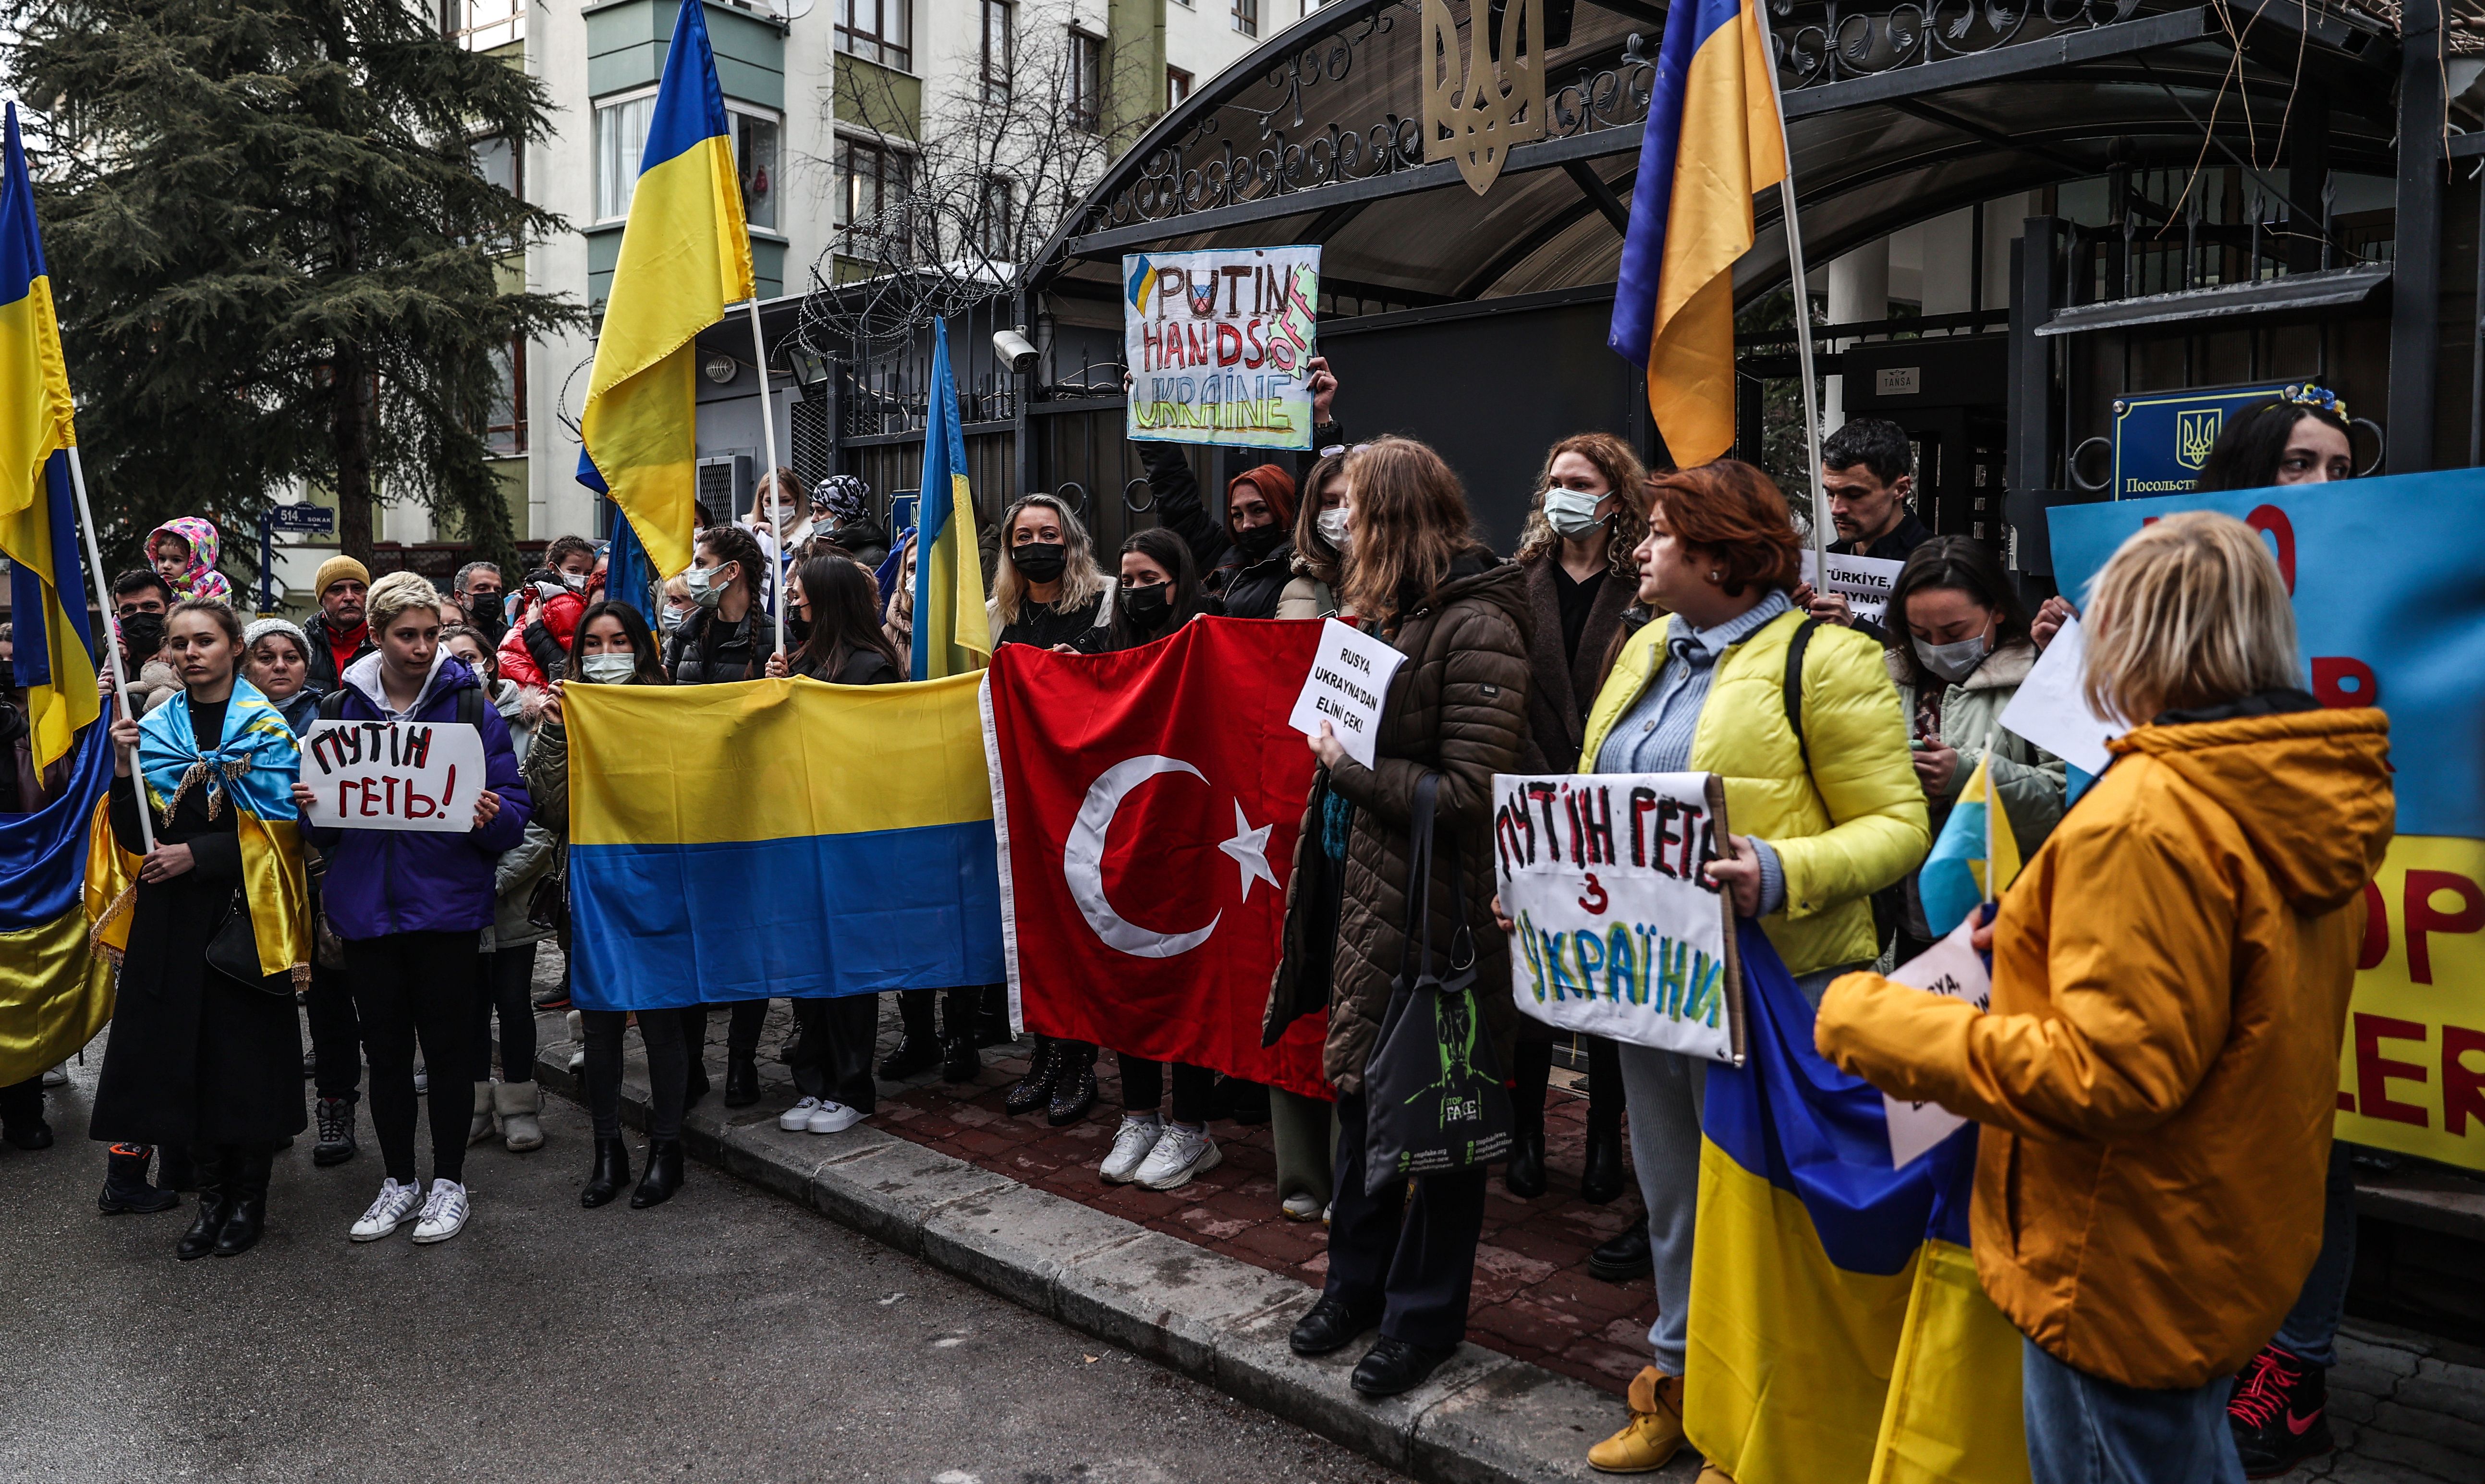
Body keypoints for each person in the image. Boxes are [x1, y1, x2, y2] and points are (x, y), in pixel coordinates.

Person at [1816, 510, 2392, 1484]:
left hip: (2115, 1260)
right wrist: (2043, 939)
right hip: (2214, 1235)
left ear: (2133, 636)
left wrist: (1874, 1019)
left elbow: (2104, 1076)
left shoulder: (2152, 814)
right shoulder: (2285, 789)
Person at [1572, 460, 1928, 1474]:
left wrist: (1779, 872)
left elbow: (1897, 829)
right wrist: (1547, 889)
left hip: (1777, 990)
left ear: (1718, 552)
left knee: (1770, 1219)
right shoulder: (1643, 648)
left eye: (1655, 533)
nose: (1636, 549)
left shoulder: (1828, 659)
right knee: (1679, 1206)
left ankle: (1765, 1429)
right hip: (1656, 984)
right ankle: (1680, 1393)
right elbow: (1596, 802)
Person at [1262, 436, 1532, 1399]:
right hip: (1363, 893)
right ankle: (1354, 1288)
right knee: (1362, 1101)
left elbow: (1473, 789)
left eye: (1352, 507)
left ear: (1398, 518)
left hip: (1440, 909)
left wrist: (1350, 769)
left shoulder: (1478, 624)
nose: (1336, 523)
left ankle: (1423, 1321)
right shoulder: (1379, 613)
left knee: (1437, 1118)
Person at [298, 571, 531, 1247]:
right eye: (407, 635)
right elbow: (321, 823)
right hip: (367, 912)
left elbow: (513, 808)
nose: (424, 646)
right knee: (388, 1052)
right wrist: (311, 810)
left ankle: (449, 1181)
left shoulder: (470, 707)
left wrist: (491, 817)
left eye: (432, 634)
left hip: (447, 911)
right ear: (375, 635)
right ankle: (399, 1180)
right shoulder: (340, 710)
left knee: (452, 1053)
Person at [89, 599, 312, 1258]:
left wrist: (201, 854)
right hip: (171, 922)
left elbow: (283, 836)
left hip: (244, 919)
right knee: (188, 1063)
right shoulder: (153, 728)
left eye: (205, 640)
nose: (192, 652)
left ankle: (248, 1203)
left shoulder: (266, 730)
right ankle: (210, 1202)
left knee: (242, 1065)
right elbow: (134, 837)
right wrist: (125, 766)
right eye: (180, 642)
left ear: (234, 646)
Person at [1505, 433, 1648, 1212]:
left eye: (1578, 482)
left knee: (1609, 978)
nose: (1562, 494)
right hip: (1532, 802)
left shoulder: (1644, 585)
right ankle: (1525, 1133)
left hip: (1613, 806)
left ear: (1613, 497)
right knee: (1534, 973)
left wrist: (1593, 771)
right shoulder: (1517, 577)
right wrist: (1539, 771)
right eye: (1554, 480)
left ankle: (1602, 1137)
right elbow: (1506, 689)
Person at [1075, 528, 1228, 1188]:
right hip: (1125, 842)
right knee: (1127, 978)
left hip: (1190, 838)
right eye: (1127, 580)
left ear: (1180, 579)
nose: (1136, 592)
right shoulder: (1105, 646)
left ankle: (1191, 1129)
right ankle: (1138, 1115)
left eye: (1150, 580)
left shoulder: (1210, 634)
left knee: (1185, 979)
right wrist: (1063, 668)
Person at [526, 601, 690, 1207]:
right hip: (587, 893)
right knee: (598, 1029)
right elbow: (546, 809)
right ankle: (607, 1151)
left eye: (618, 642)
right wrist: (552, 732)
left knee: (661, 1024)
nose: (604, 656)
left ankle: (667, 1152)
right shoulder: (564, 714)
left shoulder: (670, 710)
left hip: (657, 891)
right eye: (591, 645)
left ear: (640, 650)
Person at [760, 557, 903, 1135]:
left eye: (801, 595)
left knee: (847, 970)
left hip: (850, 842)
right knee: (807, 969)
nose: (793, 604)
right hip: (798, 836)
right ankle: (813, 1085)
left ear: (828, 600)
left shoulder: (873, 670)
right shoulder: (796, 662)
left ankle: (852, 1088)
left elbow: (878, 758)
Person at [988, 493, 1114, 1125]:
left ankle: (1078, 1060)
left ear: (1070, 541)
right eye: (1024, 535)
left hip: (1082, 791)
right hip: (1020, 794)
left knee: (1076, 926)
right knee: (1033, 922)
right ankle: (1043, 1054)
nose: (1036, 544)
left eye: (1048, 533)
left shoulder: (1105, 602)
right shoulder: (994, 616)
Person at [1880, 537, 2066, 964]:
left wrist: (1967, 776)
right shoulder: (1885, 677)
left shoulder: (2038, 677)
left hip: (2008, 919)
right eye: (1921, 634)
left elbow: (2066, 798)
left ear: (1997, 610)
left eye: (1954, 632)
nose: (1936, 647)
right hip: (1913, 919)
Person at [236, 615, 364, 1171]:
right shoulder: (231, 720)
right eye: (267, 657)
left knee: (331, 1002)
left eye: (291, 656)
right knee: (265, 1005)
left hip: (320, 876)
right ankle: (272, 1113)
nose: (281, 666)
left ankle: (336, 1109)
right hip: (251, 881)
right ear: (247, 664)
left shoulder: (330, 712)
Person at [664, 522, 778, 1106]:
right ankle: (689, 1066)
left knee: (746, 939)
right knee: (693, 938)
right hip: (695, 804)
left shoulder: (776, 639)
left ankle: (741, 1062)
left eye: (701, 560)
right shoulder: (688, 634)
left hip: (755, 810)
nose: (692, 572)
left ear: (731, 571)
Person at [439, 623, 549, 1155]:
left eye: (470, 656)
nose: (462, 666)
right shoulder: (434, 724)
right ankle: (478, 1105)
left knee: (513, 1002)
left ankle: (521, 1105)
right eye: (450, 657)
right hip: (457, 898)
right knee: (469, 1006)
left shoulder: (527, 726)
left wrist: (498, 879)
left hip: (510, 896)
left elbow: (541, 821)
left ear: (490, 660)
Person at [1799, 417, 1933, 645]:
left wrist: (1857, 628)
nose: (1836, 509)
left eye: (1854, 495)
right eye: (1830, 493)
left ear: (1900, 489)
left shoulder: (1936, 565)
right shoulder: (1822, 562)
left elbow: (1940, 658)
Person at [497, 535, 596, 691]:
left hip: (516, 672)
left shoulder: (543, 593)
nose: (581, 577)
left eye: (587, 573)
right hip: (531, 682)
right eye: (574, 570)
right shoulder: (565, 602)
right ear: (554, 568)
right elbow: (574, 652)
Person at [1275, 451, 1351, 620]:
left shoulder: (1391, 589)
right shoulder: (1293, 593)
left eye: (1354, 501)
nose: (1343, 513)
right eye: (1330, 502)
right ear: (1313, 512)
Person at [301, 556, 374, 694]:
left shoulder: (384, 644)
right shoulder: (300, 646)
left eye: (357, 588)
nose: (349, 597)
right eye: (337, 590)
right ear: (322, 599)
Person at [146, 517, 234, 606]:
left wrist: (178, 613)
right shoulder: (157, 585)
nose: (166, 566)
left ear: (196, 562)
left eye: (176, 560)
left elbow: (218, 615)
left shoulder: (213, 583)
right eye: (162, 559)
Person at [815, 474, 889, 567]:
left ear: (844, 513)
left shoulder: (875, 556)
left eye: (821, 511)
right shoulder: (823, 550)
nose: (814, 519)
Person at [453, 562, 507, 648]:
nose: (492, 595)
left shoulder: (509, 637)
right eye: (482, 589)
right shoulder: (448, 635)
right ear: (460, 597)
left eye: (498, 591)